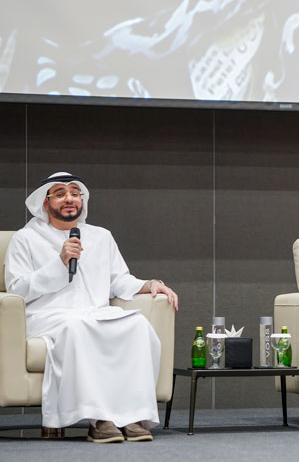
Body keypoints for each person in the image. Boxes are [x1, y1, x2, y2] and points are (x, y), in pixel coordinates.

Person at [4, 172, 179, 443]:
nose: (69, 199)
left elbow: (118, 280)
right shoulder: (26, 238)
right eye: (60, 194)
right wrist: (59, 263)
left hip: (95, 311)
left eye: (75, 193)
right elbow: (17, 289)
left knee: (138, 326)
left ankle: (133, 416)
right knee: (77, 328)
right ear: (45, 202)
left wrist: (149, 284)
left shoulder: (101, 236)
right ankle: (100, 419)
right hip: (48, 316)